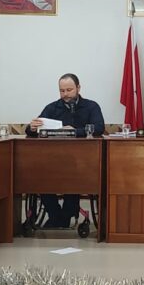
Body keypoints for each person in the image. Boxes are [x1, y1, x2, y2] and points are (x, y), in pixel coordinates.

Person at [26, 73, 105, 228]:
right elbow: (33, 131)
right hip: (54, 159)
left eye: (69, 90)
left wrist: (75, 131)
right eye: (62, 91)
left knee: (74, 178)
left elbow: (99, 128)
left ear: (78, 88)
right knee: (38, 177)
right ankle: (56, 215)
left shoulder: (91, 106)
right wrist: (32, 128)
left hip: (83, 160)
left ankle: (65, 217)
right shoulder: (52, 108)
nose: (65, 94)